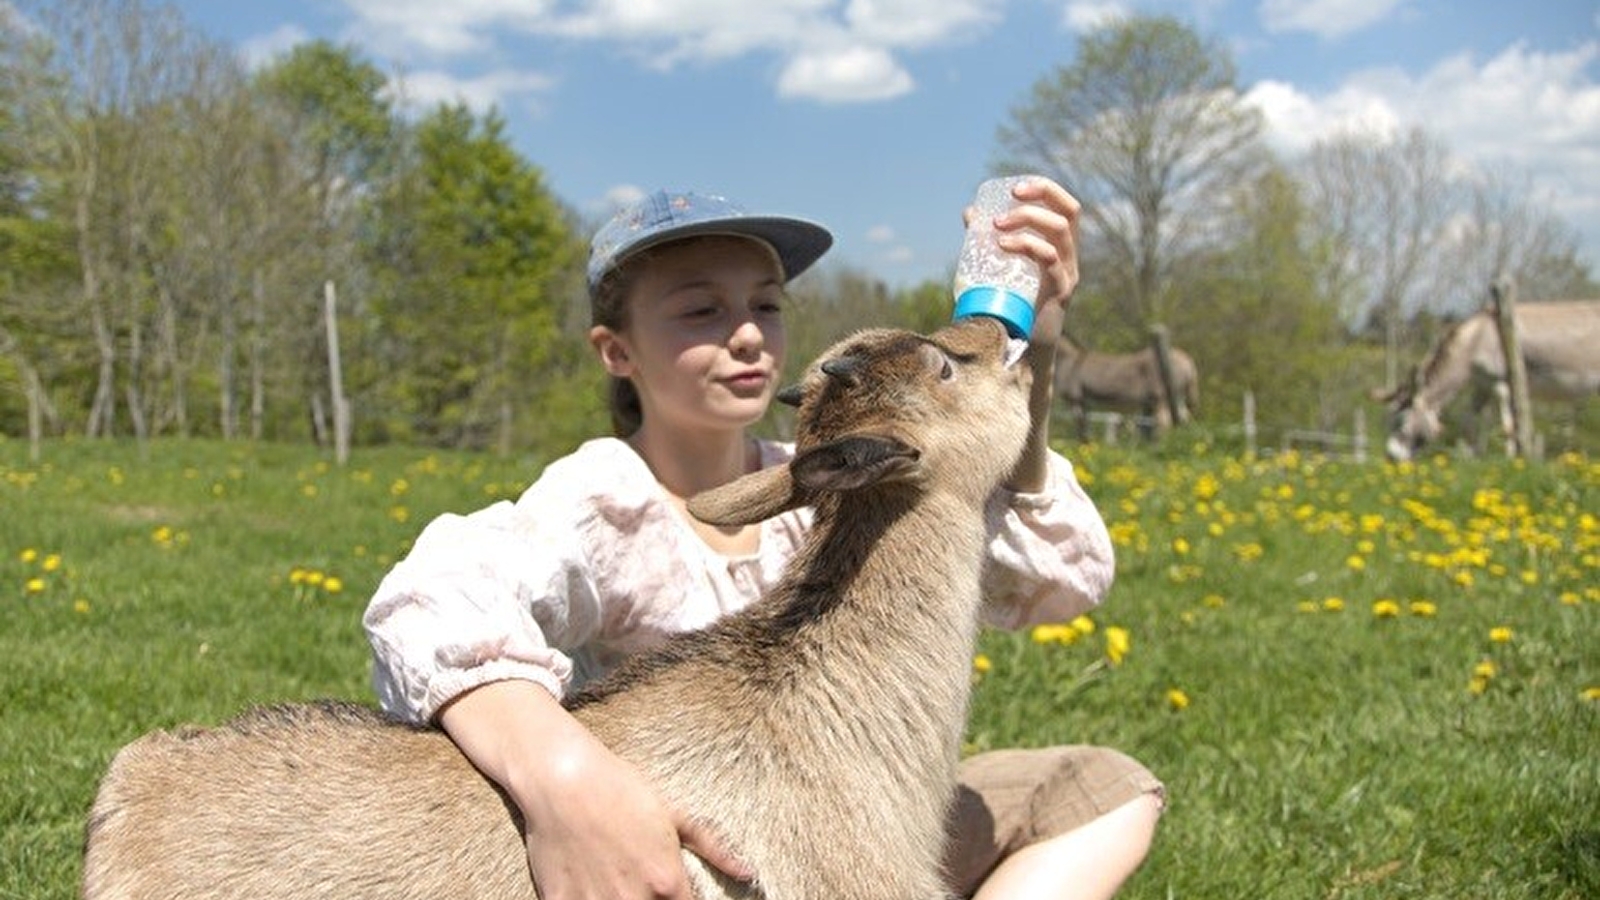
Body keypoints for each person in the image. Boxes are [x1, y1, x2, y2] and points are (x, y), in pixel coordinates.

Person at [363, 180, 1164, 900]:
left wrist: (1039, 352)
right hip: (682, 834)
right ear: (617, 351)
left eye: (766, 304)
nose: (746, 334)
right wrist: (568, 782)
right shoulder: (603, 498)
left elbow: (1059, 578)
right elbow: (427, 603)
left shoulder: (843, 485)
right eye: (700, 310)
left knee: (1104, 788)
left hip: (850, 805)